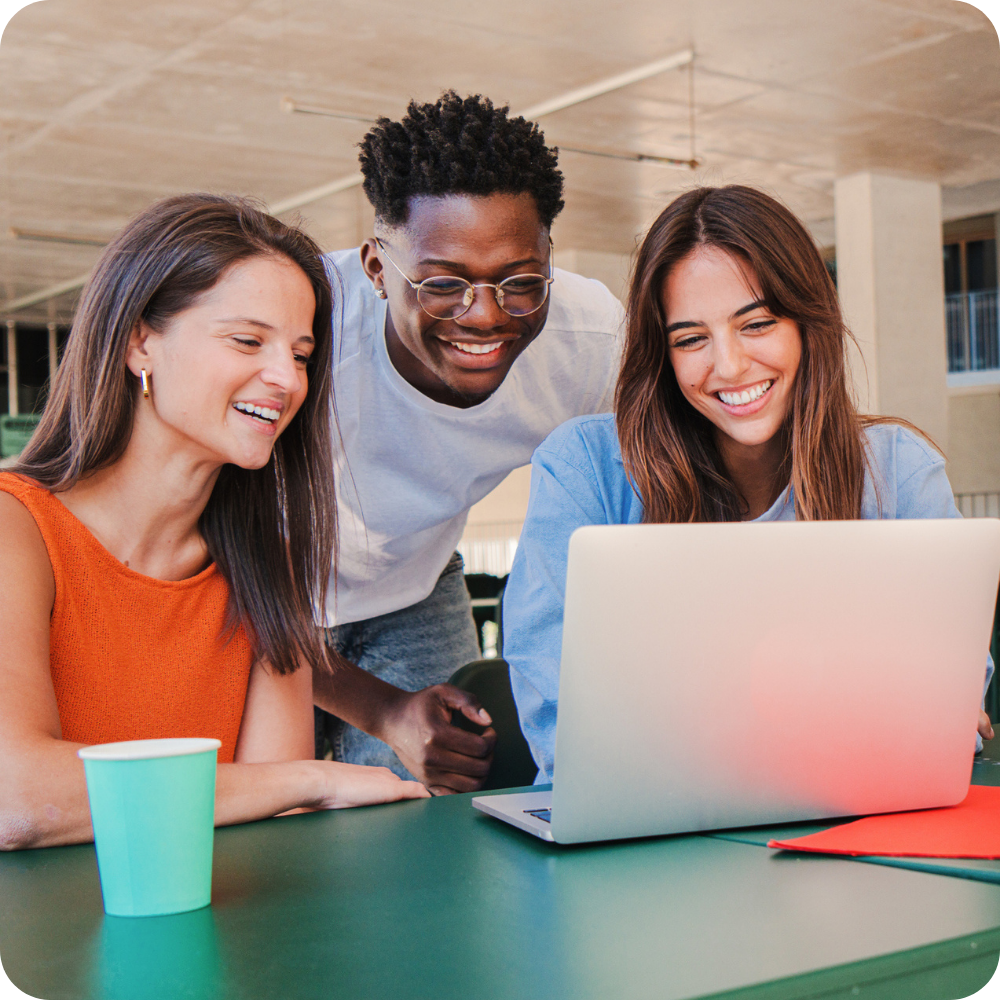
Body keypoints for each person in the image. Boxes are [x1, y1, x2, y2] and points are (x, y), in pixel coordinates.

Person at [502, 184, 995, 783]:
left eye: (757, 323)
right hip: (636, 827)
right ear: (663, 353)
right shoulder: (583, 467)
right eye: (690, 338)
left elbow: (951, 687)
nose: (730, 366)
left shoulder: (897, 469)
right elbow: (560, 710)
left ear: (808, 322)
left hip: (847, 820)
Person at [0, 194, 428, 851]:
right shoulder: (15, 527)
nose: (285, 377)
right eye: (248, 340)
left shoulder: (264, 564)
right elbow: (18, 798)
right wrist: (308, 781)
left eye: (302, 353)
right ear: (141, 341)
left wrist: (291, 787)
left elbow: (267, 831)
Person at [312, 92, 622, 793]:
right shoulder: (305, 328)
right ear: (375, 268)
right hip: (254, 596)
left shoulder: (590, 339)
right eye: (442, 283)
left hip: (412, 583)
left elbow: (657, 492)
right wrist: (385, 711)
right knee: (253, 847)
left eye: (519, 282)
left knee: (431, 820)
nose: (484, 317)